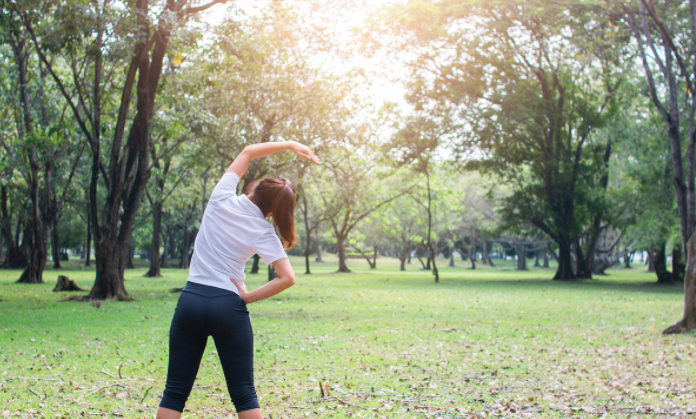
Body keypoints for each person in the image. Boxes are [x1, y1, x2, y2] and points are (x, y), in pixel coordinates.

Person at [156, 141, 320, 419]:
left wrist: (290, 145)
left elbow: (247, 151)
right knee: (244, 393)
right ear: (272, 212)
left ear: (254, 188)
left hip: (191, 301)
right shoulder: (263, 231)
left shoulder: (220, 198)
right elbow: (287, 278)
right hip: (228, 307)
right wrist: (247, 296)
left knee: (174, 392)